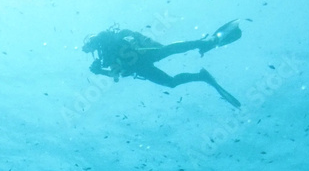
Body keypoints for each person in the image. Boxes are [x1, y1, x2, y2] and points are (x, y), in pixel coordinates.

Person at [82, 20, 243, 107]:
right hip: (141, 66)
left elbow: (124, 40)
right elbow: (118, 74)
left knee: (169, 52)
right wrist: (100, 71)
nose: (90, 47)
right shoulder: (104, 57)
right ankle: (202, 73)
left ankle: (204, 44)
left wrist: (100, 70)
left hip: (142, 56)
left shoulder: (106, 42)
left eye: (89, 44)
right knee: (170, 79)